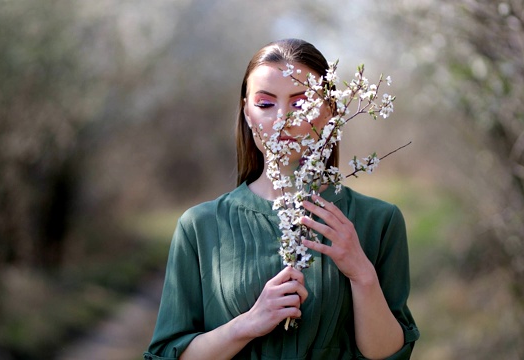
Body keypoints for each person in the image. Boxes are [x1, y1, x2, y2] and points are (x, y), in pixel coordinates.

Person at [144, 38, 419, 360]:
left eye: (300, 103)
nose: (282, 118)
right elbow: (166, 355)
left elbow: (388, 354)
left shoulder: (379, 221)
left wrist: (361, 273)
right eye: (265, 104)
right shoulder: (200, 226)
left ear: (330, 110)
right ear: (247, 113)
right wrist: (247, 324)